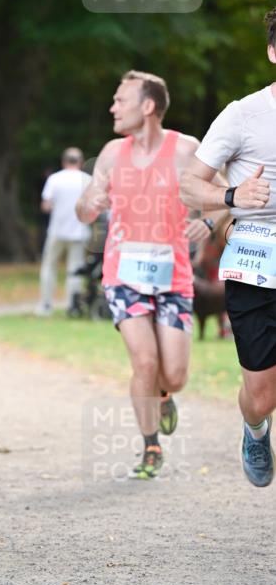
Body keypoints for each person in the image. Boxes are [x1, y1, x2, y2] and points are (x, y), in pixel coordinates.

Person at [76, 71, 226, 479]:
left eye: (120, 100)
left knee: (174, 375)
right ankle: (150, 448)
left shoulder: (186, 151)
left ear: (147, 106)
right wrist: (90, 200)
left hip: (174, 275)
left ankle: (164, 395)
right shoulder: (110, 153)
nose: (113, 107)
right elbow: (83, 211)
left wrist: (210, 225)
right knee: (144, 361)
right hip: (123, 275)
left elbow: (227, 197)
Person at [180, 8, 276, 488]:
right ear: (273, 52)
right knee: (261, 395)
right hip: (255, 262)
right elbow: (188, 185)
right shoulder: (243, 115)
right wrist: (234, 197)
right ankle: (256, 428)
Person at [35, 148, 90, 317]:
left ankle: (46, 305)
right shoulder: (87, 179)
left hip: (57, 231)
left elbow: (46, 205)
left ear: (64, 162)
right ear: (80, 162)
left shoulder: (55, 179)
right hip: (79, 232)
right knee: (75, 270)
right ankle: (72, 306)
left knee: (49, 266)